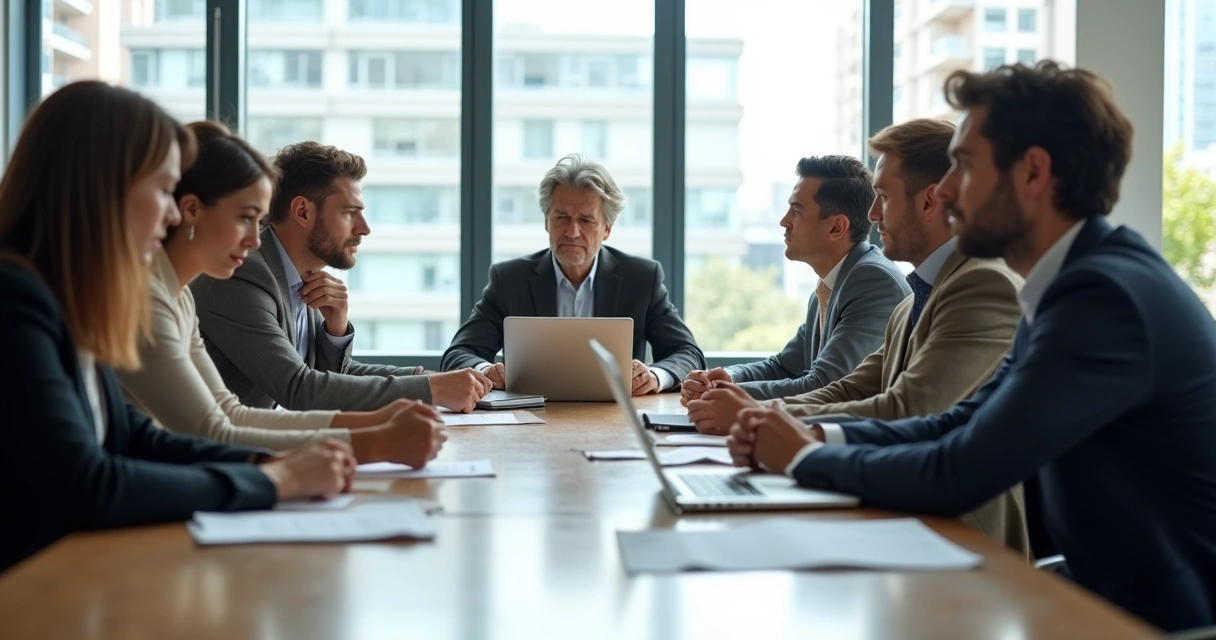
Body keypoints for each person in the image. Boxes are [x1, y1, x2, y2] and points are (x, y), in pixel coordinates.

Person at [728, 62, 1216, 632]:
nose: (949, 190)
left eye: (964, 165)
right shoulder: (1071, 282)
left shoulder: (1102, 296)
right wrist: (818, 434)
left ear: (1033, 172)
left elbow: (962, 468)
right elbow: (962, 420)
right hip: (1101, 593)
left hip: (1159, 621)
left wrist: (805, 457)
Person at [0, 82, 356, 572]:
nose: (171, 212)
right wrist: (278, 481)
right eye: (164, 189)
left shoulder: (69, 299)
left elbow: (135, 438)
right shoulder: (16, 302)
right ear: (99, 187)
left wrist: (270, 467)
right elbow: (88, 484)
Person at [689, 119, 1028, 555]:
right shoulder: (913, 299)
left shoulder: (983, 285)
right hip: (902, 511)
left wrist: (762, 418)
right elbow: (851, 387)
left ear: (930, 201)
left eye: (884, 198)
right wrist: (758, 415)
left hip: (965, 539)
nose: (871, 215)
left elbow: (907, 409)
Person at [117, 121, 446, 466]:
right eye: (245, 217)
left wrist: (383, 424)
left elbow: (232, 414)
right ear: (191, 210)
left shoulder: (179, 297)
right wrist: (377, 441)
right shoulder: (166, 296)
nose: (255, 239)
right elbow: (224, 425)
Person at [191, 141, 492, 413]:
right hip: (210, 456)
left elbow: (329, 379)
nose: (364, 227)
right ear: (303, 212)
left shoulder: (298, 275)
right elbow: (300, 390)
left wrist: (423, 377)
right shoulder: (243, 275)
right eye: (350, 212)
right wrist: (433, 390)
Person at [441, 154, 705, 396]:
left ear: (607, 229)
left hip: (614, 421)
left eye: (587, 220)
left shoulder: (642, 279)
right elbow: (459, 354)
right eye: (561, 217)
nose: (572, 232)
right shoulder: (509, 280)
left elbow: (687, 353)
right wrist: (486, 370)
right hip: (529, 419)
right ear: (547, 222)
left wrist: (655, 377)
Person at [680, 155, 908, 406]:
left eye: (797, 210)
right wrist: (728, 378)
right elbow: (784, 366)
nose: (784, 221)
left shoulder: (873, 281)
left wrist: (726, 394)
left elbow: (824, 385)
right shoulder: (829, 285)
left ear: (836, 227)